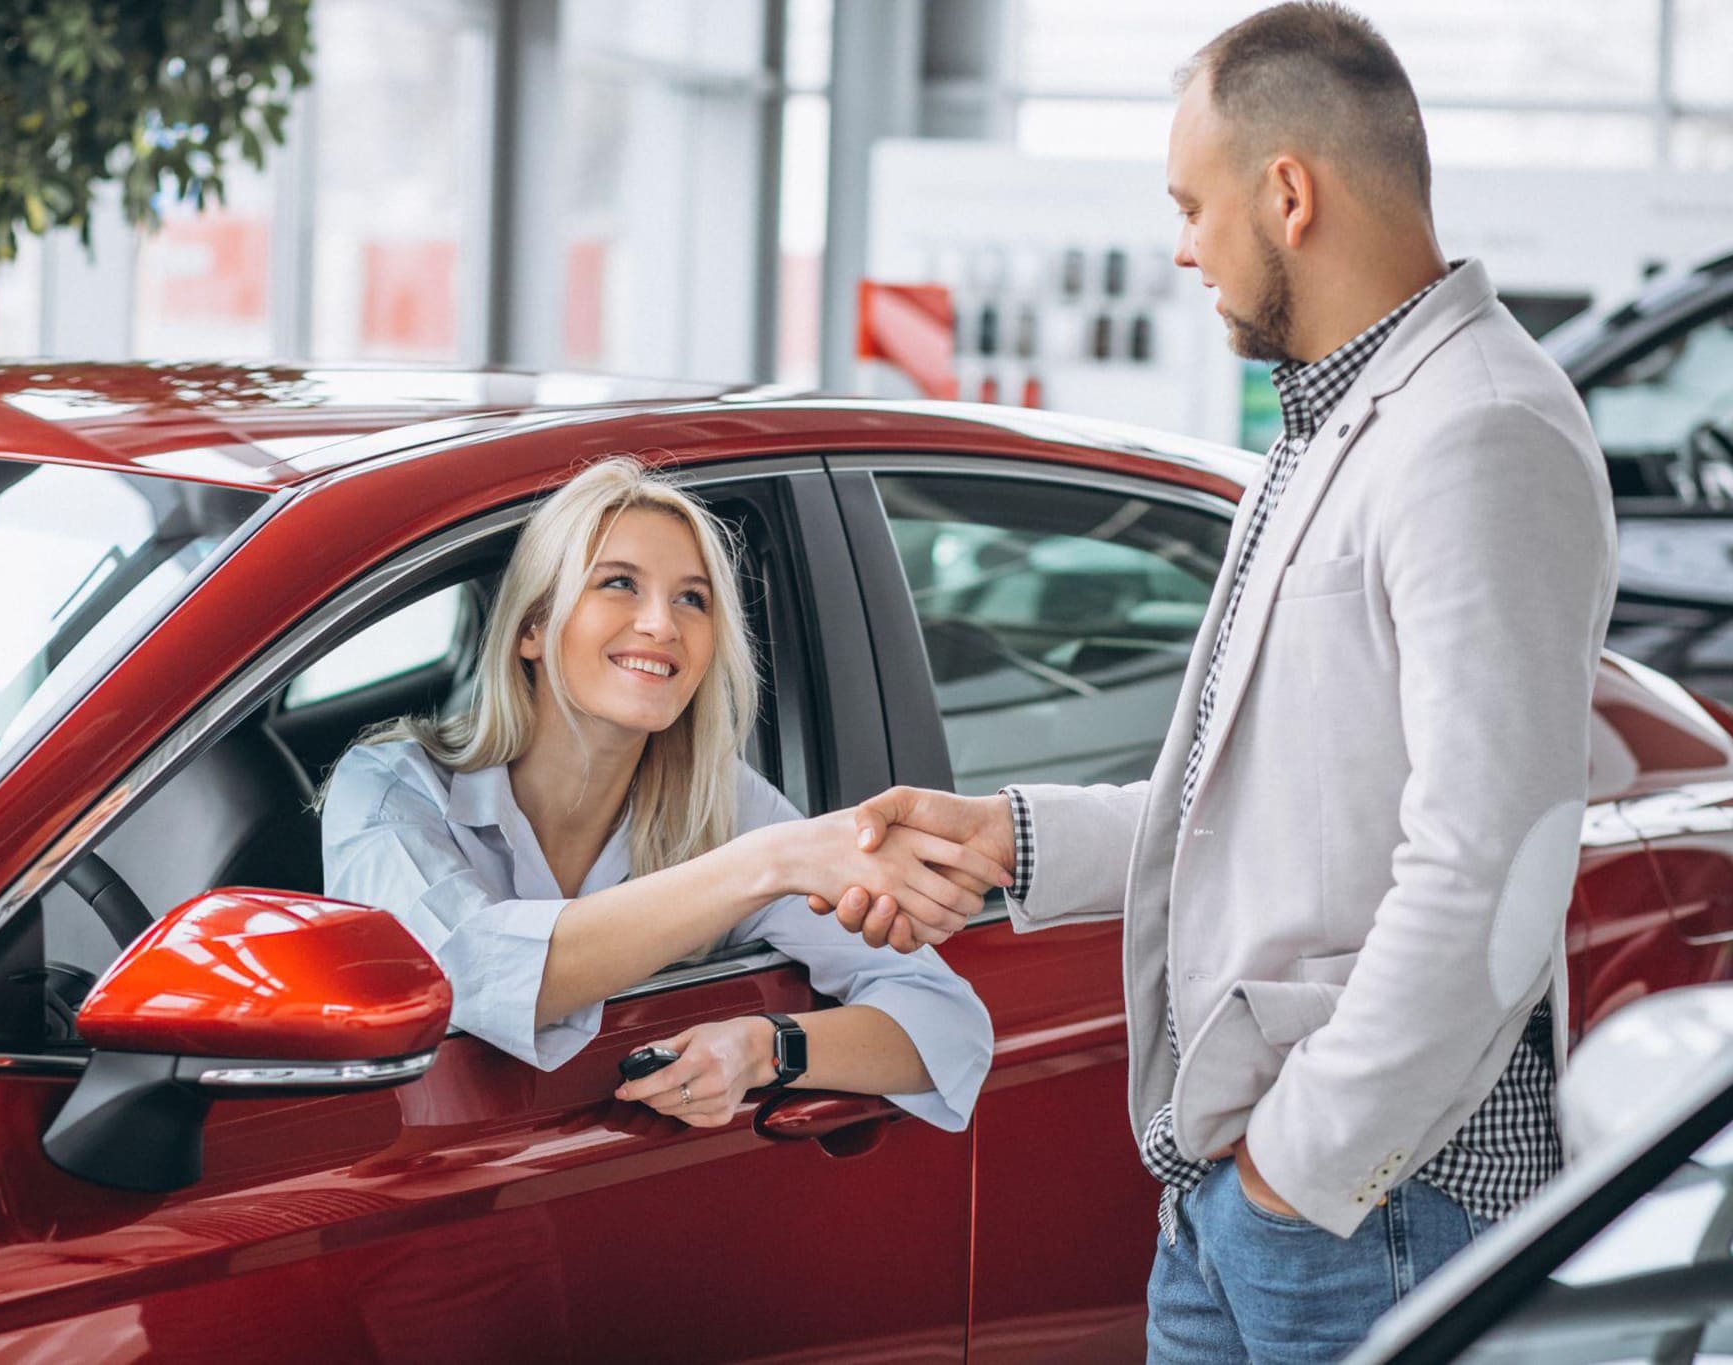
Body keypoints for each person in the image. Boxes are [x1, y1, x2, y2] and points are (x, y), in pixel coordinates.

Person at [816, 3, 1618, 1358]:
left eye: (1194, 203)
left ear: (1288, 194)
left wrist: (1302, 1168)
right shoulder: (1336, 420)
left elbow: (1496, 861)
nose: (1183, 243)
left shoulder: (1479, 431)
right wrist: (1012, 840)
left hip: (1372, 1207)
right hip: (1248, 1190)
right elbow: (1259, 805)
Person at [320, 456, 996, 1131]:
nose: (662, 625)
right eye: (619, 583)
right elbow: (459, 974)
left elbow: (949, 1023)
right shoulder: (387, 788)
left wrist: (763, 1047)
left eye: (691, 598)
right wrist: (764, 865)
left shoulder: (722, 804)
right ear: (532, 627)